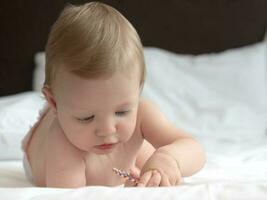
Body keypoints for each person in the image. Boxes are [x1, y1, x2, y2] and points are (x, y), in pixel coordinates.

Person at [22, 2, 206, 188]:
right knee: (120, 140)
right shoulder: (61, 141)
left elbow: (193, 148)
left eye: (122, 111)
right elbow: (70, 196)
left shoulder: (140, 113)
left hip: (116, 144)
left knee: (152, 162)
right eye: (86, 117)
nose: (107, 130)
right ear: (54, 102)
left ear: (138, 89)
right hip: (45, 152)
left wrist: (169, 159)